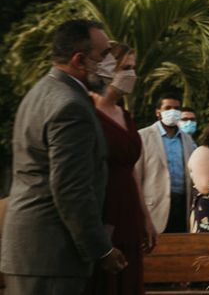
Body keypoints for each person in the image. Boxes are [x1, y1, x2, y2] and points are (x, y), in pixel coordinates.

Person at [1, 20, 127, 294]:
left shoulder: (40, 93)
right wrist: (102, 249)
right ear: (79, 60)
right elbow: (71, 189)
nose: (111, 63)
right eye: (104, 54)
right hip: (52, 254)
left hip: (33, 253)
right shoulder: (70, 106)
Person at [85, 43, 157, 295]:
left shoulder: (125, 115)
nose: (131, 74)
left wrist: (145, 215)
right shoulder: (87, 112)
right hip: (104, 208)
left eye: (133, 68)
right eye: (125, 68)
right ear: (107, 70)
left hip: (129, 210)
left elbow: (131, 168)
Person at [136, 93, 197, 233]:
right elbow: (136, 176)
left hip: (182, 205)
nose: (173, 112)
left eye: (176, 108)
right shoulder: (143, 136)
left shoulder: (188, 140)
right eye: (167, 108)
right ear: (158, 112)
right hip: (154, 207)